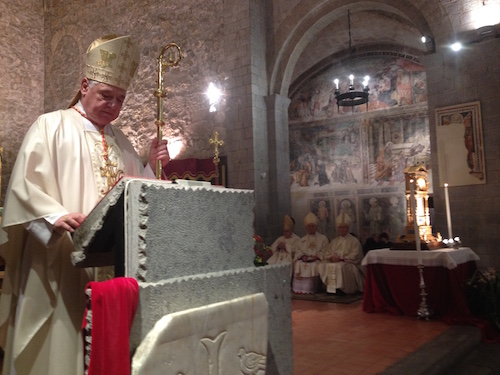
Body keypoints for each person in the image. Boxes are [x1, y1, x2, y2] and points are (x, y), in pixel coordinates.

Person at [0, 35, 170, 375]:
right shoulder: (51, 126)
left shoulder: (122, 141)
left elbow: (134, 193)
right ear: (83, 86)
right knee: (63, 344)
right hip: (62, 259)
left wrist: (150, 166)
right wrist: (54, 215)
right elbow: (23, 187)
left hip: (110, 266)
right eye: (106, 95)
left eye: (120, 99)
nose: (113, 106)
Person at [317, 211, 364, 294]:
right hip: (335, 261)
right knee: (323, 265)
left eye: (344, 227)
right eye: (340, 227)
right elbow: (327, 252)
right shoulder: (334, 241)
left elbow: (356, 255)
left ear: (348, 228)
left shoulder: (354, 241)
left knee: (339, 266)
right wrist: (331, 257)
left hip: (350, 264)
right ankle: (331, 288)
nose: (341, 229)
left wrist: (342, 258)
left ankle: (341, 289)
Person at [292, 212, 329, 294]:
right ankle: (299, 289)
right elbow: (298, 251)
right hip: (305, 260)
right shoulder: (301, 240)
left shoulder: (323, 238)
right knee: (298, 264)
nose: (311, 228)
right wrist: (302, 256)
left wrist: (317, 257)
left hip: (317, 260)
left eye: (313, 226)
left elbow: (325, 251)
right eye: (309, 226)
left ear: (316, 227)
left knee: (313, 265)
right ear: (306, 227)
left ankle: (312, 288)